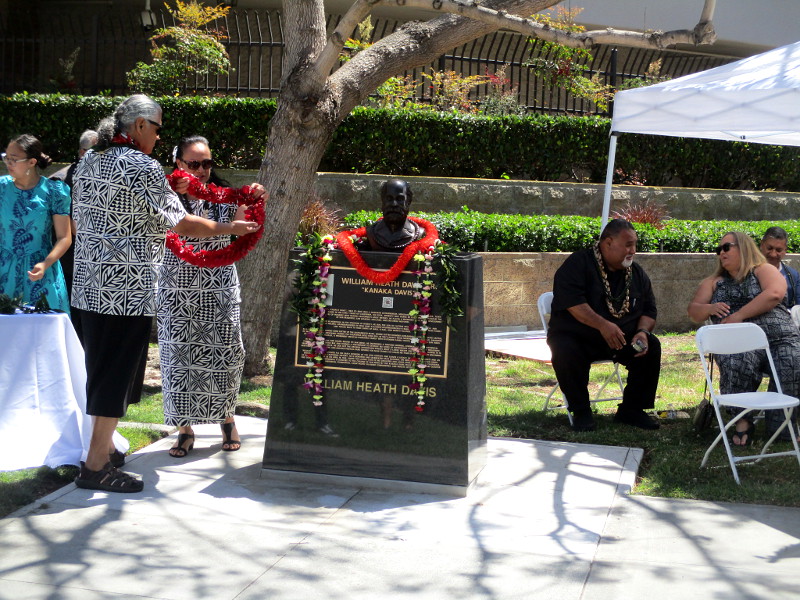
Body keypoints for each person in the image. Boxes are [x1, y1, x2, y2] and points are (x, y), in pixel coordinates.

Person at [70, 95, 261, 493]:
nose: (158, 137)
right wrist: (233, 229)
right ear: (140, 125)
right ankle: (95, 466)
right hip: (125, 292)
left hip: (88, 287)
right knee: (114, 379)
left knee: (100, 374)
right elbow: (182, 224)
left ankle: (103, 452)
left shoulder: (88, 161)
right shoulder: (141, 166)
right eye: (157, 128)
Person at [158, 136, 265, 457]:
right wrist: (229, 228)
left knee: (227, 353)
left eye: (207, 163)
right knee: (178, 357)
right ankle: (184, 429)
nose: (202, 170)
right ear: (178, 163)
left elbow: (245, 220)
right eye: (194, 164)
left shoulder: (224, 195)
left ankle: (227, 420)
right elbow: (180, 227)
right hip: (176, 287)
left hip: (218, 286)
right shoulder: (165, 196)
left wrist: (255, 197)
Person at [546, 218, 661, 432]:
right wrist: (603, 325)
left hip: (622, 338)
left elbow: (649, 309)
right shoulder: (578, 264)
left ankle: (632, 409)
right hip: (579, 336)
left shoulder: (636, 273)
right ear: (608, 243)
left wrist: (642, 332)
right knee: (564, 348)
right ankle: (581, 411)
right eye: (628, 245)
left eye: (634, 245)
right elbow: (573, 303)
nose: (633, 251)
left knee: (651, 346)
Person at [688, 231, 800, 445]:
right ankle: (743, 421)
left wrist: (738, 316)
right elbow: (693, 311)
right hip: (738, 343)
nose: (721, 253)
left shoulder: (762, 270)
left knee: (793, 360)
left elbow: (775, 293)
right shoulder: (714, 282)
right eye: (718, 249)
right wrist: (709, 308)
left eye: (726, 247)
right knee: (734, 360)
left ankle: (781, 426)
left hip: (779, 338)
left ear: (744, 247)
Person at [0, 134, 71, 312]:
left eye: (14, 159)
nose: (8, 163)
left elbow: (64, 237)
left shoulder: (54, 191)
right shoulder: (1, 187)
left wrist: (45, 264)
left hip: (41, 272)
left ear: (32, 162)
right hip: (4, 269)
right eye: (6, 157)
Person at [50, 129, 98, 330]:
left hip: (94, 265)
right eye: (95, 153)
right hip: (68, 265)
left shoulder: (104, 178)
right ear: (81, 153)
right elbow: (72, 227)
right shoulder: (60, 181)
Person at [357, 179, 423, 251]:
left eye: (400, 199)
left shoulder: (419, 234)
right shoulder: (370, 233)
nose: (394, 204)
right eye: (389, 199)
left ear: (408, 202)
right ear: (383, 201)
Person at [759, 226, 800, 308]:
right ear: (761, 245)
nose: (773, 254)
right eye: (769, 248)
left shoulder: (793, 276)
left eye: (778, 250)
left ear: (785, 250)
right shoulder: (747, 271)